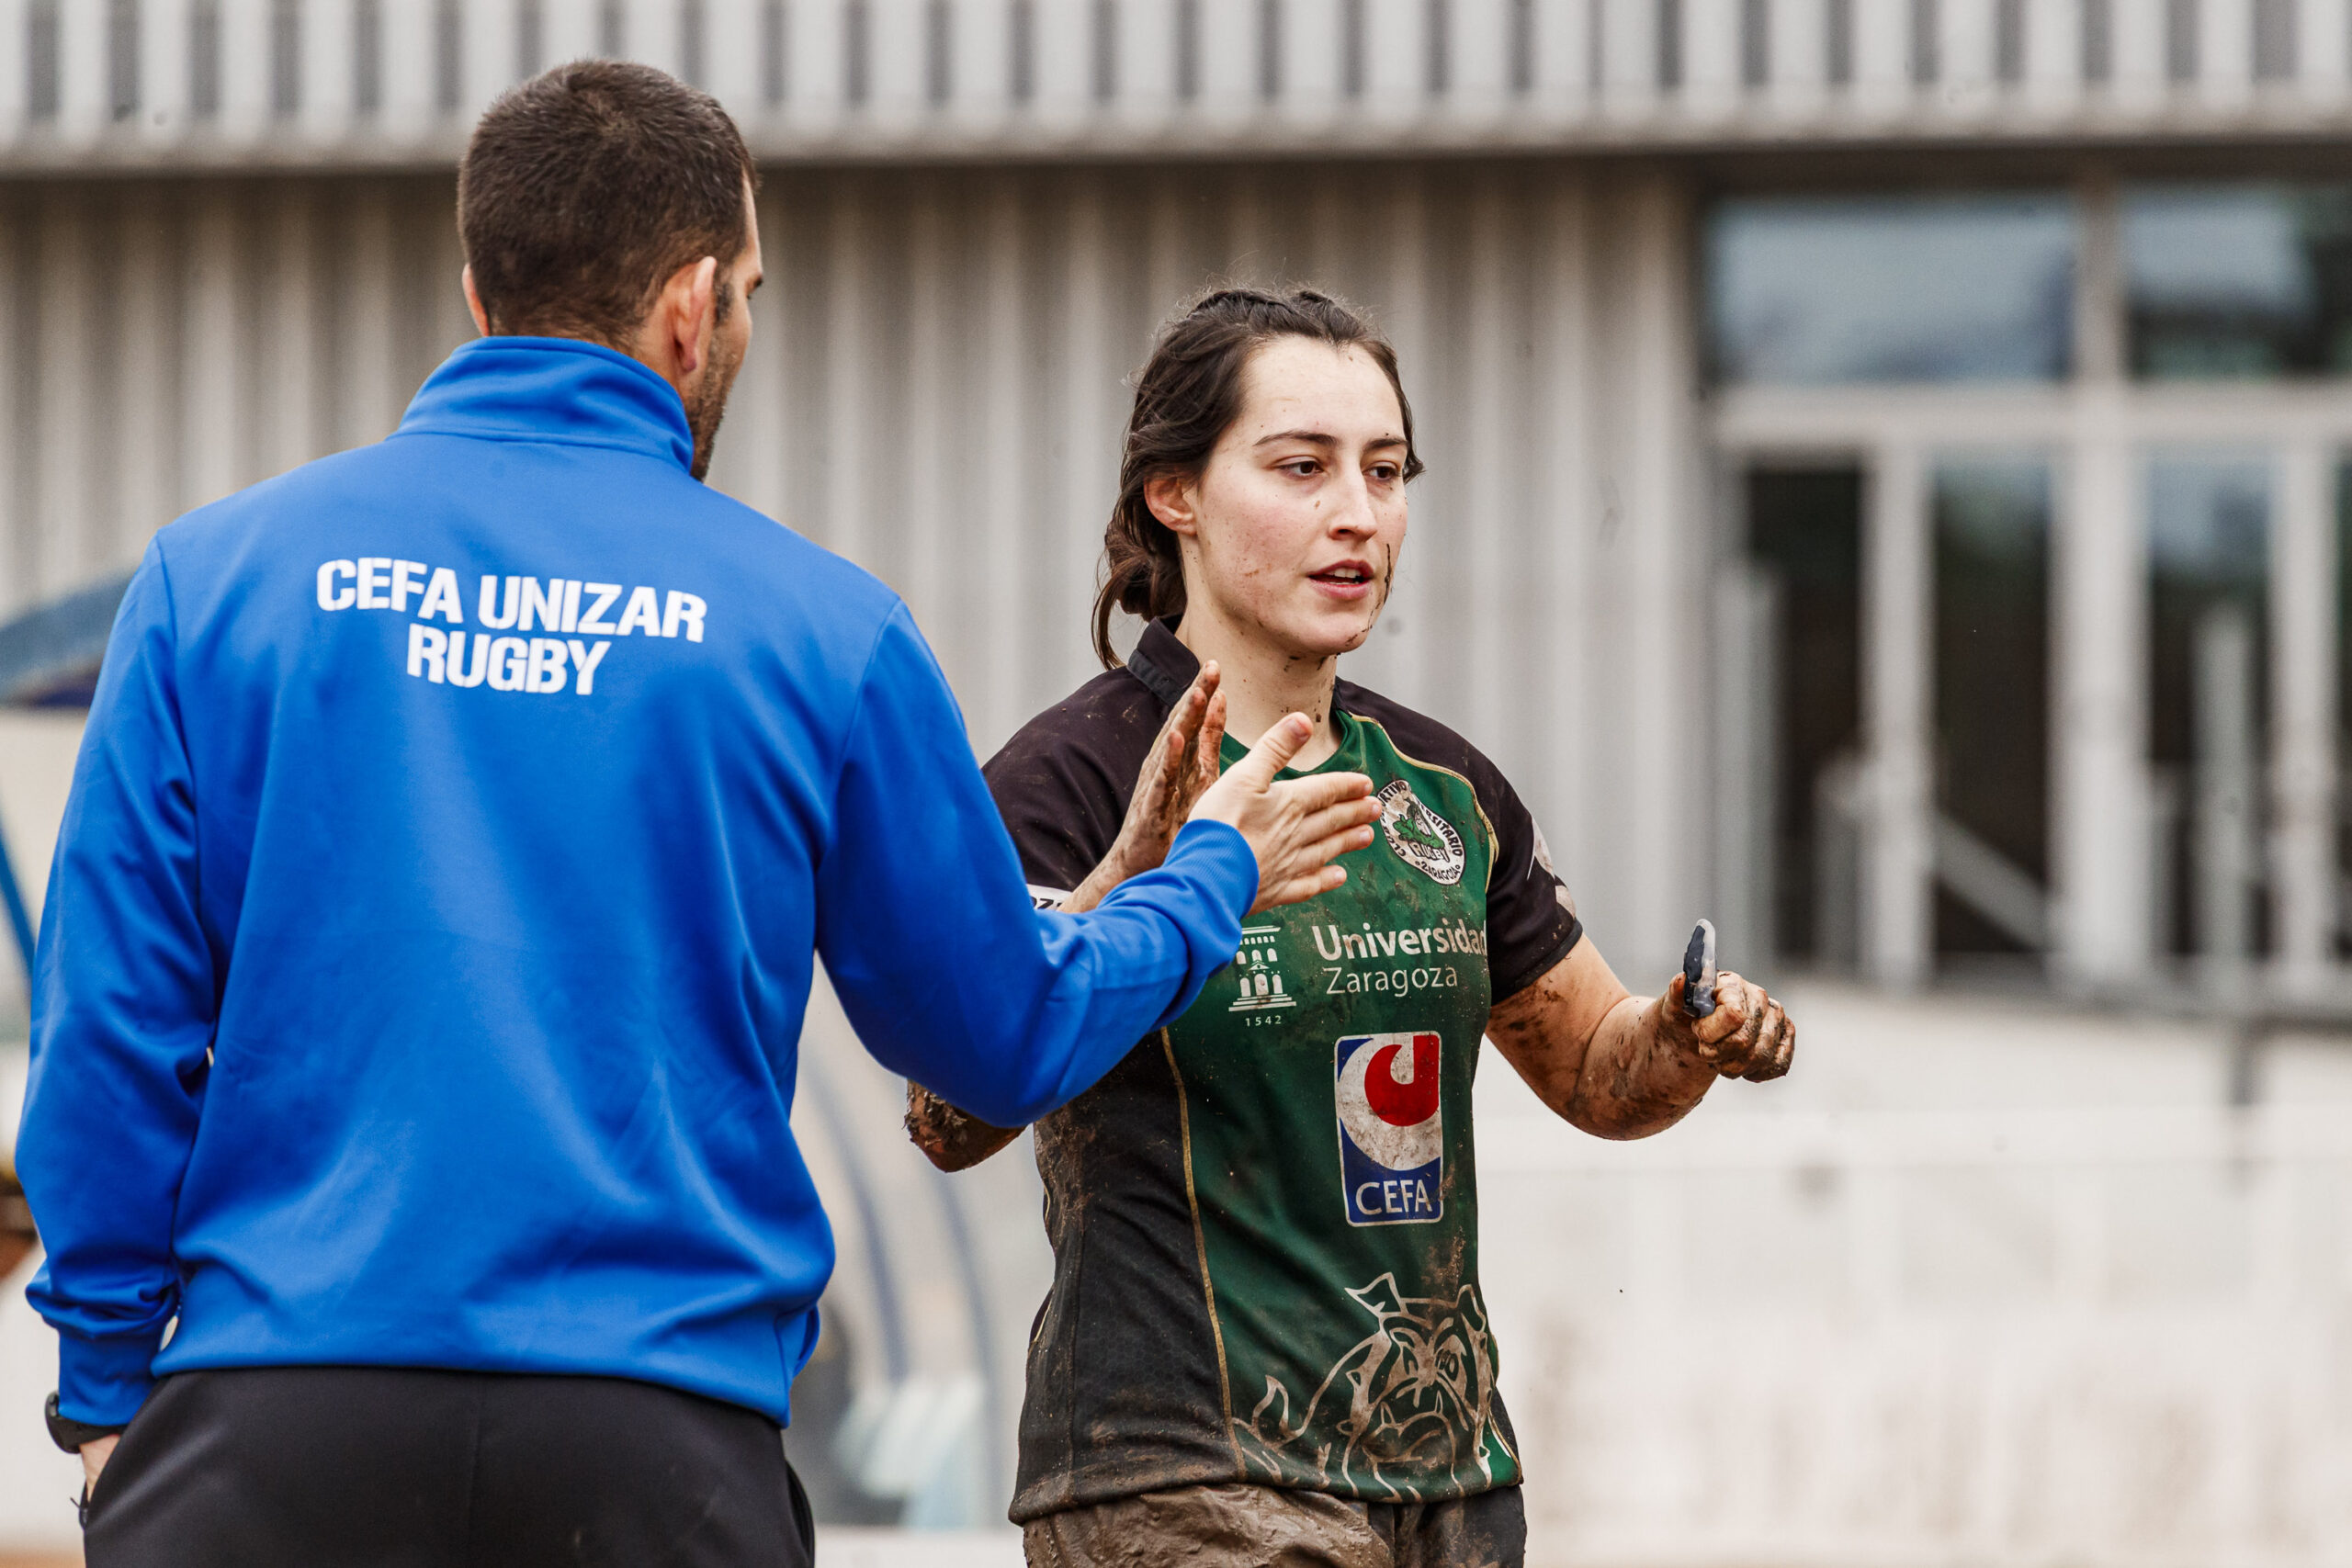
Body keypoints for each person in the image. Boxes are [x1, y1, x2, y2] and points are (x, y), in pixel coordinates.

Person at [14, 69, 1380, 1567]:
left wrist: (103, 1395)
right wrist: (1205, 878)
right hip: (655, 1450)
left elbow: (114, 1030)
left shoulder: (218, 583)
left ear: (481, 291)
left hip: (271, 1436)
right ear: (687, 307)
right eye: (748, 294)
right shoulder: (818, 629)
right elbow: (1000, 1037)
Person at [907, 288, 1796, 1568]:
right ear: (1176, 495)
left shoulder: (1443, 788)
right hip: (1179, 1476)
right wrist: (1135, 887)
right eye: (1301, 467)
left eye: (1386, 471)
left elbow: (1601, 1079)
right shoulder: (1067, 782)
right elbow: (948, 1116)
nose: (1358, 515)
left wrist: (1687, 1031)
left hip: (1449, 1481)